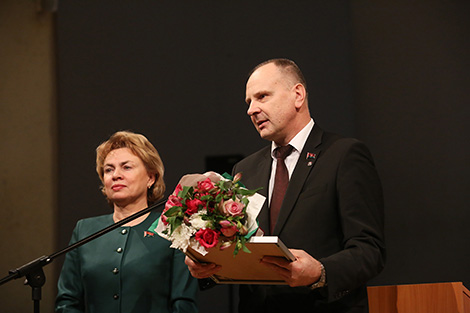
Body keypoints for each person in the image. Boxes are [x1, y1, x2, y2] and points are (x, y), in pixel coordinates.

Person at [185, 59, 385, 313]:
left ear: (298, 95)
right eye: (249, 102)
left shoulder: (344, 155)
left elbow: (370, 250)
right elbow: (241, 250)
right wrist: (207, 265)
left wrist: (321, 273)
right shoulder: (245, 170)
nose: (251, 110)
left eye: (262, 96)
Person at [56, 131, 198, 313]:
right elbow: (67, 302)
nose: (116, 175)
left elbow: (183, 304)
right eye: (108, 169)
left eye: (126, 167)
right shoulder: (84, 230)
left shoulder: (173, 227)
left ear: (150, 178)